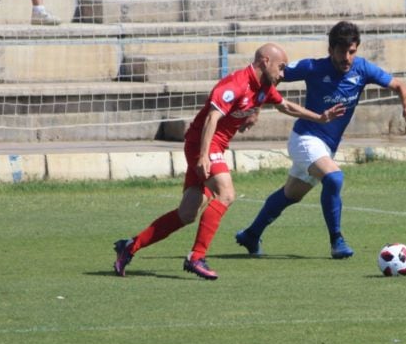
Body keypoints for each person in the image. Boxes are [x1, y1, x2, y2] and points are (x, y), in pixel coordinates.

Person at [112, 43, 346, 280]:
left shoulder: (263, 87)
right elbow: (211, 118)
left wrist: (320, 118)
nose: (283, 73)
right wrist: (203, 155)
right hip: (203, 144)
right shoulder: (235, 84)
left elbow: (284, 105)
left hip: (214, 147)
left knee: (187, 213)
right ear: (265, 61)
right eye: (281, 67)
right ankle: (196, 257)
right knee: (226, 194)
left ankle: (130, 246)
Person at [235, 21, 406, 259]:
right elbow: (271, 75)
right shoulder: (312, 67)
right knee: (334, 177)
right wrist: (255, 108)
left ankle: (251, 234)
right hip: (305, 138)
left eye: (352, 51)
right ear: (331, 50)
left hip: (325, 147)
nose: (347, 58)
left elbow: (399, 84)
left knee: (291, 194)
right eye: (342, 51)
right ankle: (337, 241)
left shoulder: (362, 68)